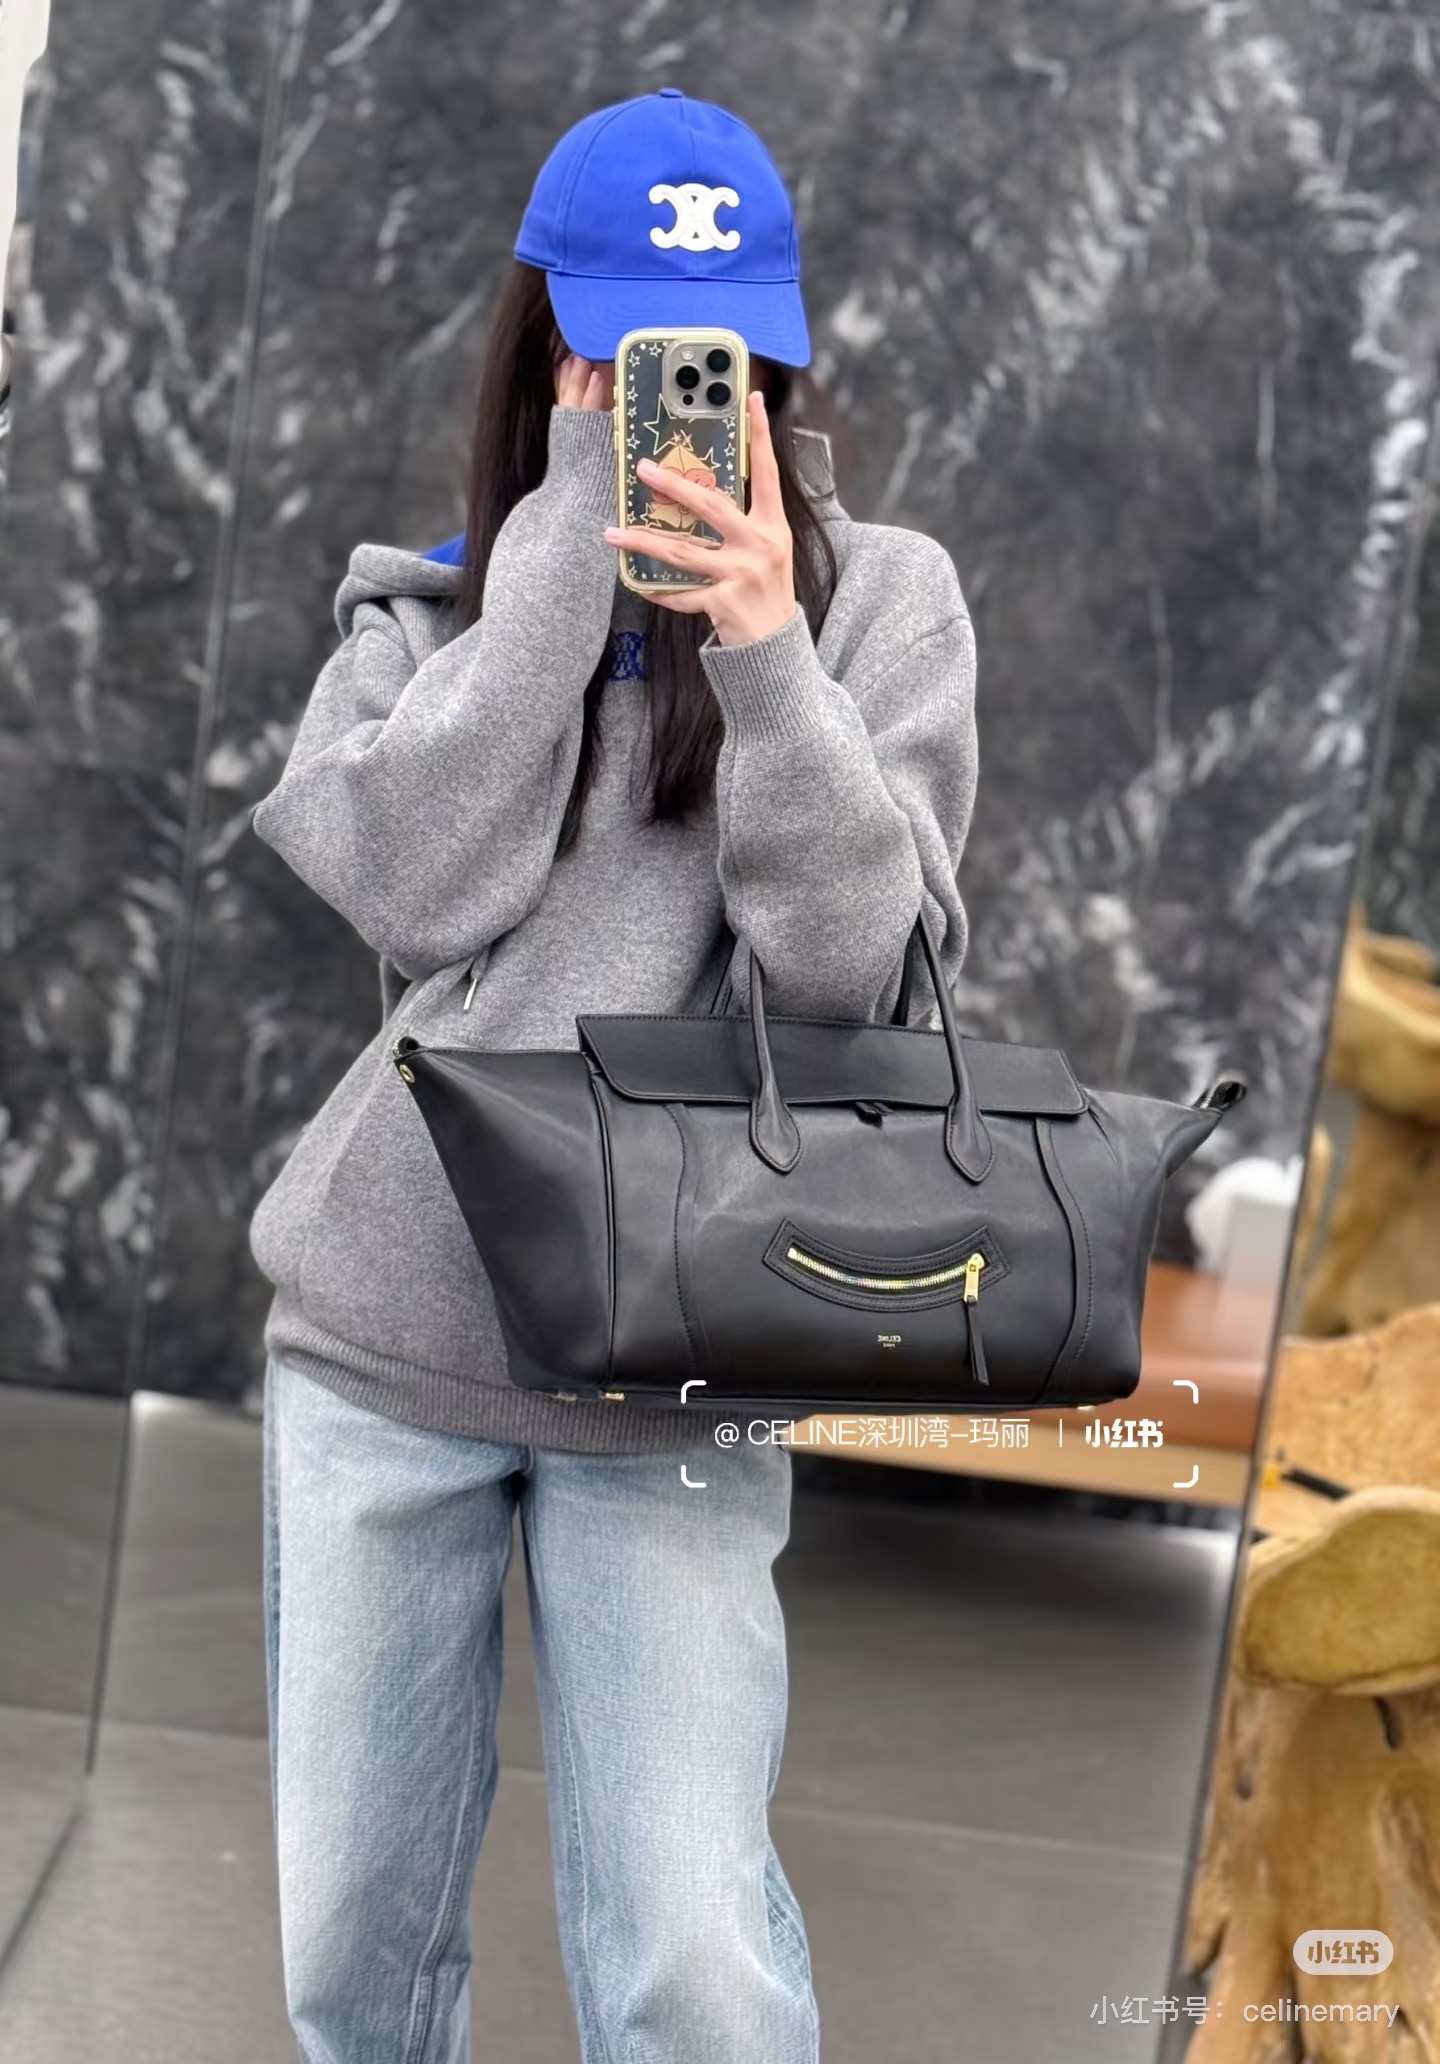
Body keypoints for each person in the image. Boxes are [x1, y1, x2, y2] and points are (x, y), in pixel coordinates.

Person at [249, 86, 978, 2064]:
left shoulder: (883, 608)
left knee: (693, 1966)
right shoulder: (423, 606)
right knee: (352, 1958)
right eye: (629, 354)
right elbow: (414, 890)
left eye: (718, 355)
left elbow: (854, 981)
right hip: (389, 1335)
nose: (678, 395)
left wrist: (762, 651)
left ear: (778, 355)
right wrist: (563, 568)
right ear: (545, 352)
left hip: (683, 1353)